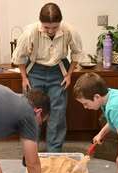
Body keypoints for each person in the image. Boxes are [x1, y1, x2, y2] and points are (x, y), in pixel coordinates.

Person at [12, 2, 82, 152]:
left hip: (59, 70)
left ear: (60, 23)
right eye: (46, 27)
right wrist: (24, 78)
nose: (50, 31)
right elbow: (20, 57)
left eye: (55, 27)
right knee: (31, 110)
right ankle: (31, 150)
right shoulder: (30, 32)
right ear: (40, 22)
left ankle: (54, 152)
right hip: (34, 70)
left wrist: (69, 75)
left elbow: (77, 53)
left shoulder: (69, 31)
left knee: (57, 111)